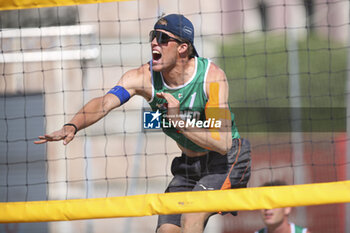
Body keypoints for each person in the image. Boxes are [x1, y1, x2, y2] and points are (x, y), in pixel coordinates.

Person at [35, 14, 251, 233]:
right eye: (153, 36)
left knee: (192, 216)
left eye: (162, 38)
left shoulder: (211, 78)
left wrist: (178, 120)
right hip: (189, 165)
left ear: (183, 48)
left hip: (225, 160)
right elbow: (104, 103)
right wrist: (72, 125)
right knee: (166, 230)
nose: (154, 42)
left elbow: (222, 143)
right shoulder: (143, 78)